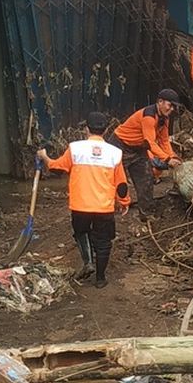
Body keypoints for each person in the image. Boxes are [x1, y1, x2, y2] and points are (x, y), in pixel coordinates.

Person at [37, 112, 129, 288]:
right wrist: (124, 202)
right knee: (103, 242)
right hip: (104, 208)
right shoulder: (115, 153)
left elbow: (57, 167)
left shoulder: (75, 149)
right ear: (106, 130)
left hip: (80, 206)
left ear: (87, 129)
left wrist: (44, 157)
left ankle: (88, 262)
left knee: (81, 232)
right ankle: (100, 278)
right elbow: (121, 184)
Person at [111, 89, 182, 215]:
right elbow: (150, 142)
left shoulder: (164, 119)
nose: (171, 109)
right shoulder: (148, 116)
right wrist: (166, 159)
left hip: (139, 148)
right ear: (160, 102)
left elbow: (164, 140)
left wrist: (172, 156)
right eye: (170, 105)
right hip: (120, 146)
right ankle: (110, 209)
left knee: (146, 179)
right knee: (113, 179)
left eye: (173, 107)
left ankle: (146, 213)